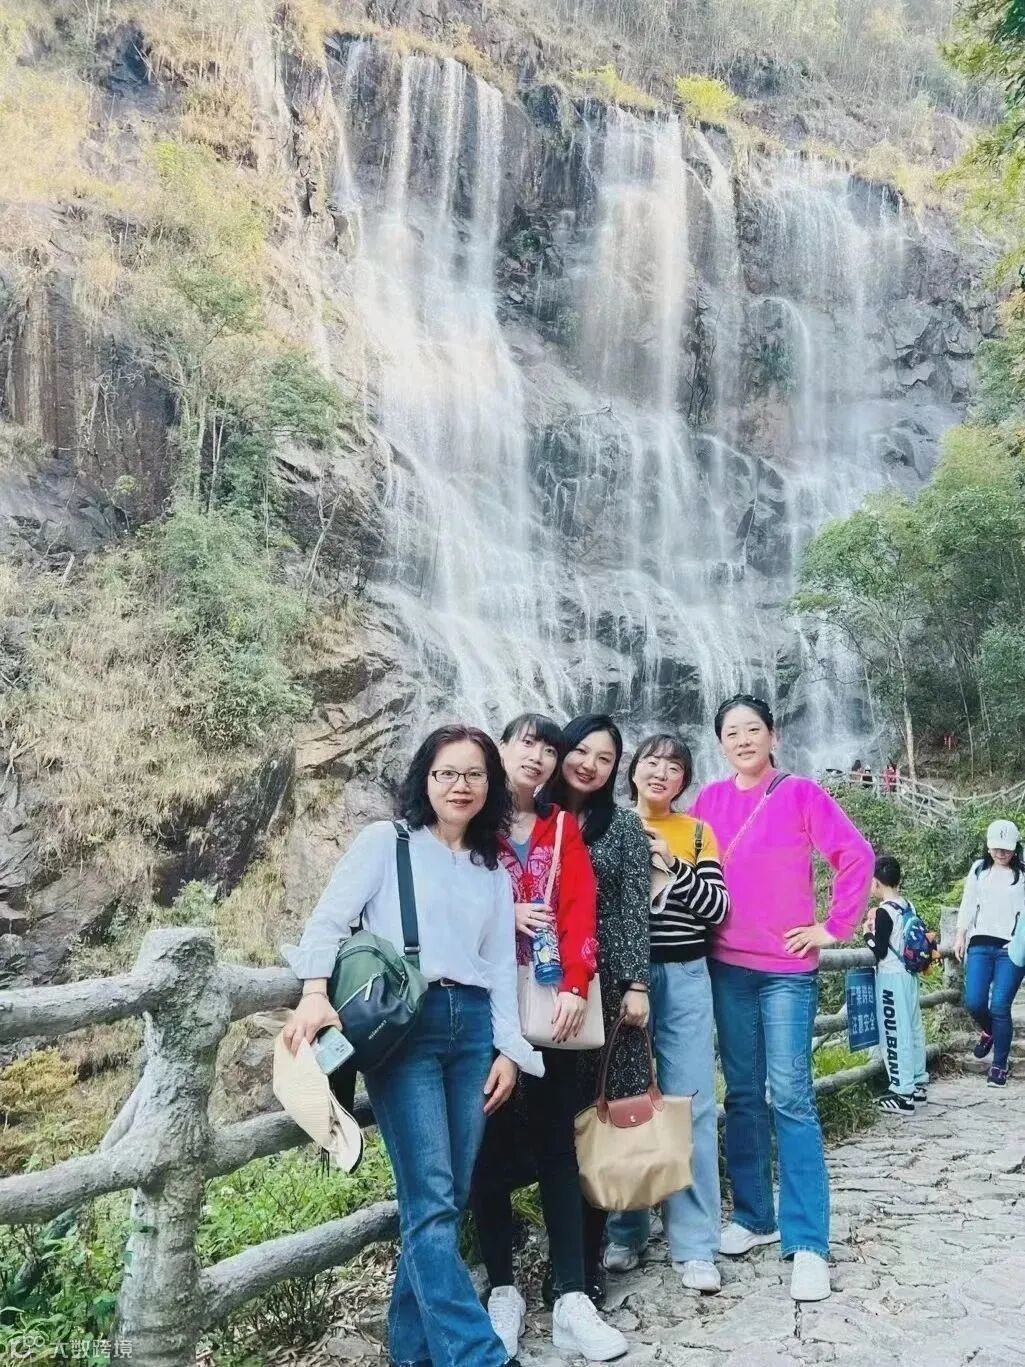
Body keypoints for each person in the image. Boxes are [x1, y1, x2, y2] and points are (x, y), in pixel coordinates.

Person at [281, 724, 540, 1367]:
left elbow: (497, 968)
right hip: (407, 1028)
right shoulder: (385, 842)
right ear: (426, 779)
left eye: (474, 775)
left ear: (491, 786)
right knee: (431, 1197)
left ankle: (411, 1351)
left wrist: (509, 1051)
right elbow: (329, 920)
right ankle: (478, 1355)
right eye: (447, 773)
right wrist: (314, 991)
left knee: (446, 1198)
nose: (460, 786)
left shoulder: (489, 868)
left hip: (473, 1029)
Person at [691, 694, 873, 1304]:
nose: (743, 739)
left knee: (791, 1096)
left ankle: (808, 1242)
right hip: (727, 967)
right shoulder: (709, 802)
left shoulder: (800, 794)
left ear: (773, 736)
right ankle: (753, 1215)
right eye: (731, 732)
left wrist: (834, 927)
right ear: (720, 743)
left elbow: (854, 855)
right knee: (743, 1094)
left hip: (787, 972)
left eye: (753, 729)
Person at [470, 714, 626, 1363]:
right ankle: (502, 1291)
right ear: (502, 747)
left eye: (549, 748)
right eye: (527, 742)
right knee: (486, 1145)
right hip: (480, 1003)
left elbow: (579, 908)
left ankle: (570, 1297)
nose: (538, 756)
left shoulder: (561, 826)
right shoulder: (469, 820)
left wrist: (576, 983)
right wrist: (503, 910)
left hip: (549, 1001)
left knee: (559, 1145)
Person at [602, 733, 730, 1293]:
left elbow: (717, 909)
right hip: (620, 980)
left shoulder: (697, 833)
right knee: (626, 1101)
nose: (661, 772)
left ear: (684, 781)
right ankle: (627, 1228)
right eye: (651, 762)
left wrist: (673, 862)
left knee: (691, 1105)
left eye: (674, 766)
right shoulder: (609, 825)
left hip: (684, 976)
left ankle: (695, 1243)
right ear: (633, 771)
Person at [542, 713, 652, 1306]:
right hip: (542, 985)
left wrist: (637, 984)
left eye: (604, 758)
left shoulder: (624, 826)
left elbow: (635, 907)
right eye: (581, 751)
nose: (589, 764)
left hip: (606, 993)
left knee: (595, 1122)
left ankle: (586, 1259)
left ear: (616, 770)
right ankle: (557, 1255)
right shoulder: (532, 814)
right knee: (552, 1124)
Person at [954, 818, 1025, 1088]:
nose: (1001, 853)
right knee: (974, 1001)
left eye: (1006, 849)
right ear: (988, 846)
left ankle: (999, 1065)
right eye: (996, 848)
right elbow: (968, 903)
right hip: (980, 944)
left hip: (1010, 948)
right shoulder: (978, 869)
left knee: (1000, 1006)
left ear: (1015, 848)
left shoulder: (1023, 874)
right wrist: (961, 934)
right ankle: (989, 1031)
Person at [865, 854, 928, 1115]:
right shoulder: (907, 905)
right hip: (909, 975)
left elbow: (879, 950)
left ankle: (902, 1094)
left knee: (894, 1031)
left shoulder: (884, 911)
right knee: (913, 1028)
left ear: (876, 882)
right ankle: (918, 1083)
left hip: (891, 976)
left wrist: (867, 934)